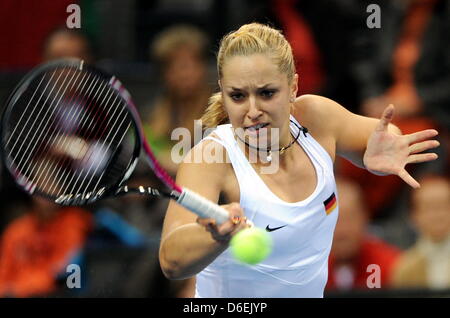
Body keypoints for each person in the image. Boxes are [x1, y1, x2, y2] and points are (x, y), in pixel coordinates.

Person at [158, 23, 439, 298]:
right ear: (222, 89)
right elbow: (171, 261)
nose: (252, 111)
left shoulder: (316, 118)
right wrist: (216, 237)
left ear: (293, 86)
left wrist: (382, 143)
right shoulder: (211, 158)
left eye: (267, 93)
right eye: (238, 96)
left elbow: (383, 133)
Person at [145, 24, 212, 176]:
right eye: (176, 66)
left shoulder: (221, 112)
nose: (185, 74)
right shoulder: (149, 113)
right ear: (163, 73)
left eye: (191, 64)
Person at [326, 178, 400, 292]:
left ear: (365, 217)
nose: (342, 231)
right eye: (334, 220)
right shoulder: (305, 269)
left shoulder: (392, 266)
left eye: (349, 218)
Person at [391, 174, 450, 289]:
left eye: (444, 205)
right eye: (429, 207)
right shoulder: (404, 268)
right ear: (413, 215)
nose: (438, 214)